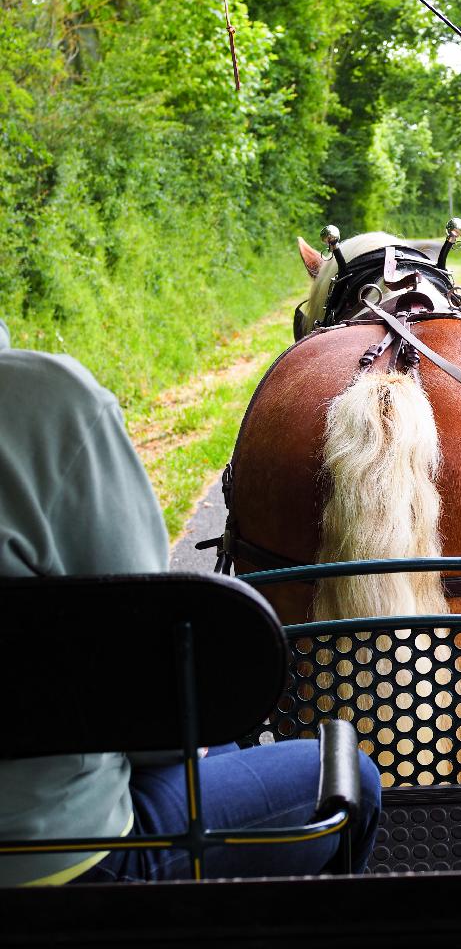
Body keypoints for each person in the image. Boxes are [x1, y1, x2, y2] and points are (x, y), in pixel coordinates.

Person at [0, 317, 381, 886]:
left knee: (219, 740)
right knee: (351, 774)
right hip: (60, 858)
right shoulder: (42, 402)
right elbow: (150, 676)